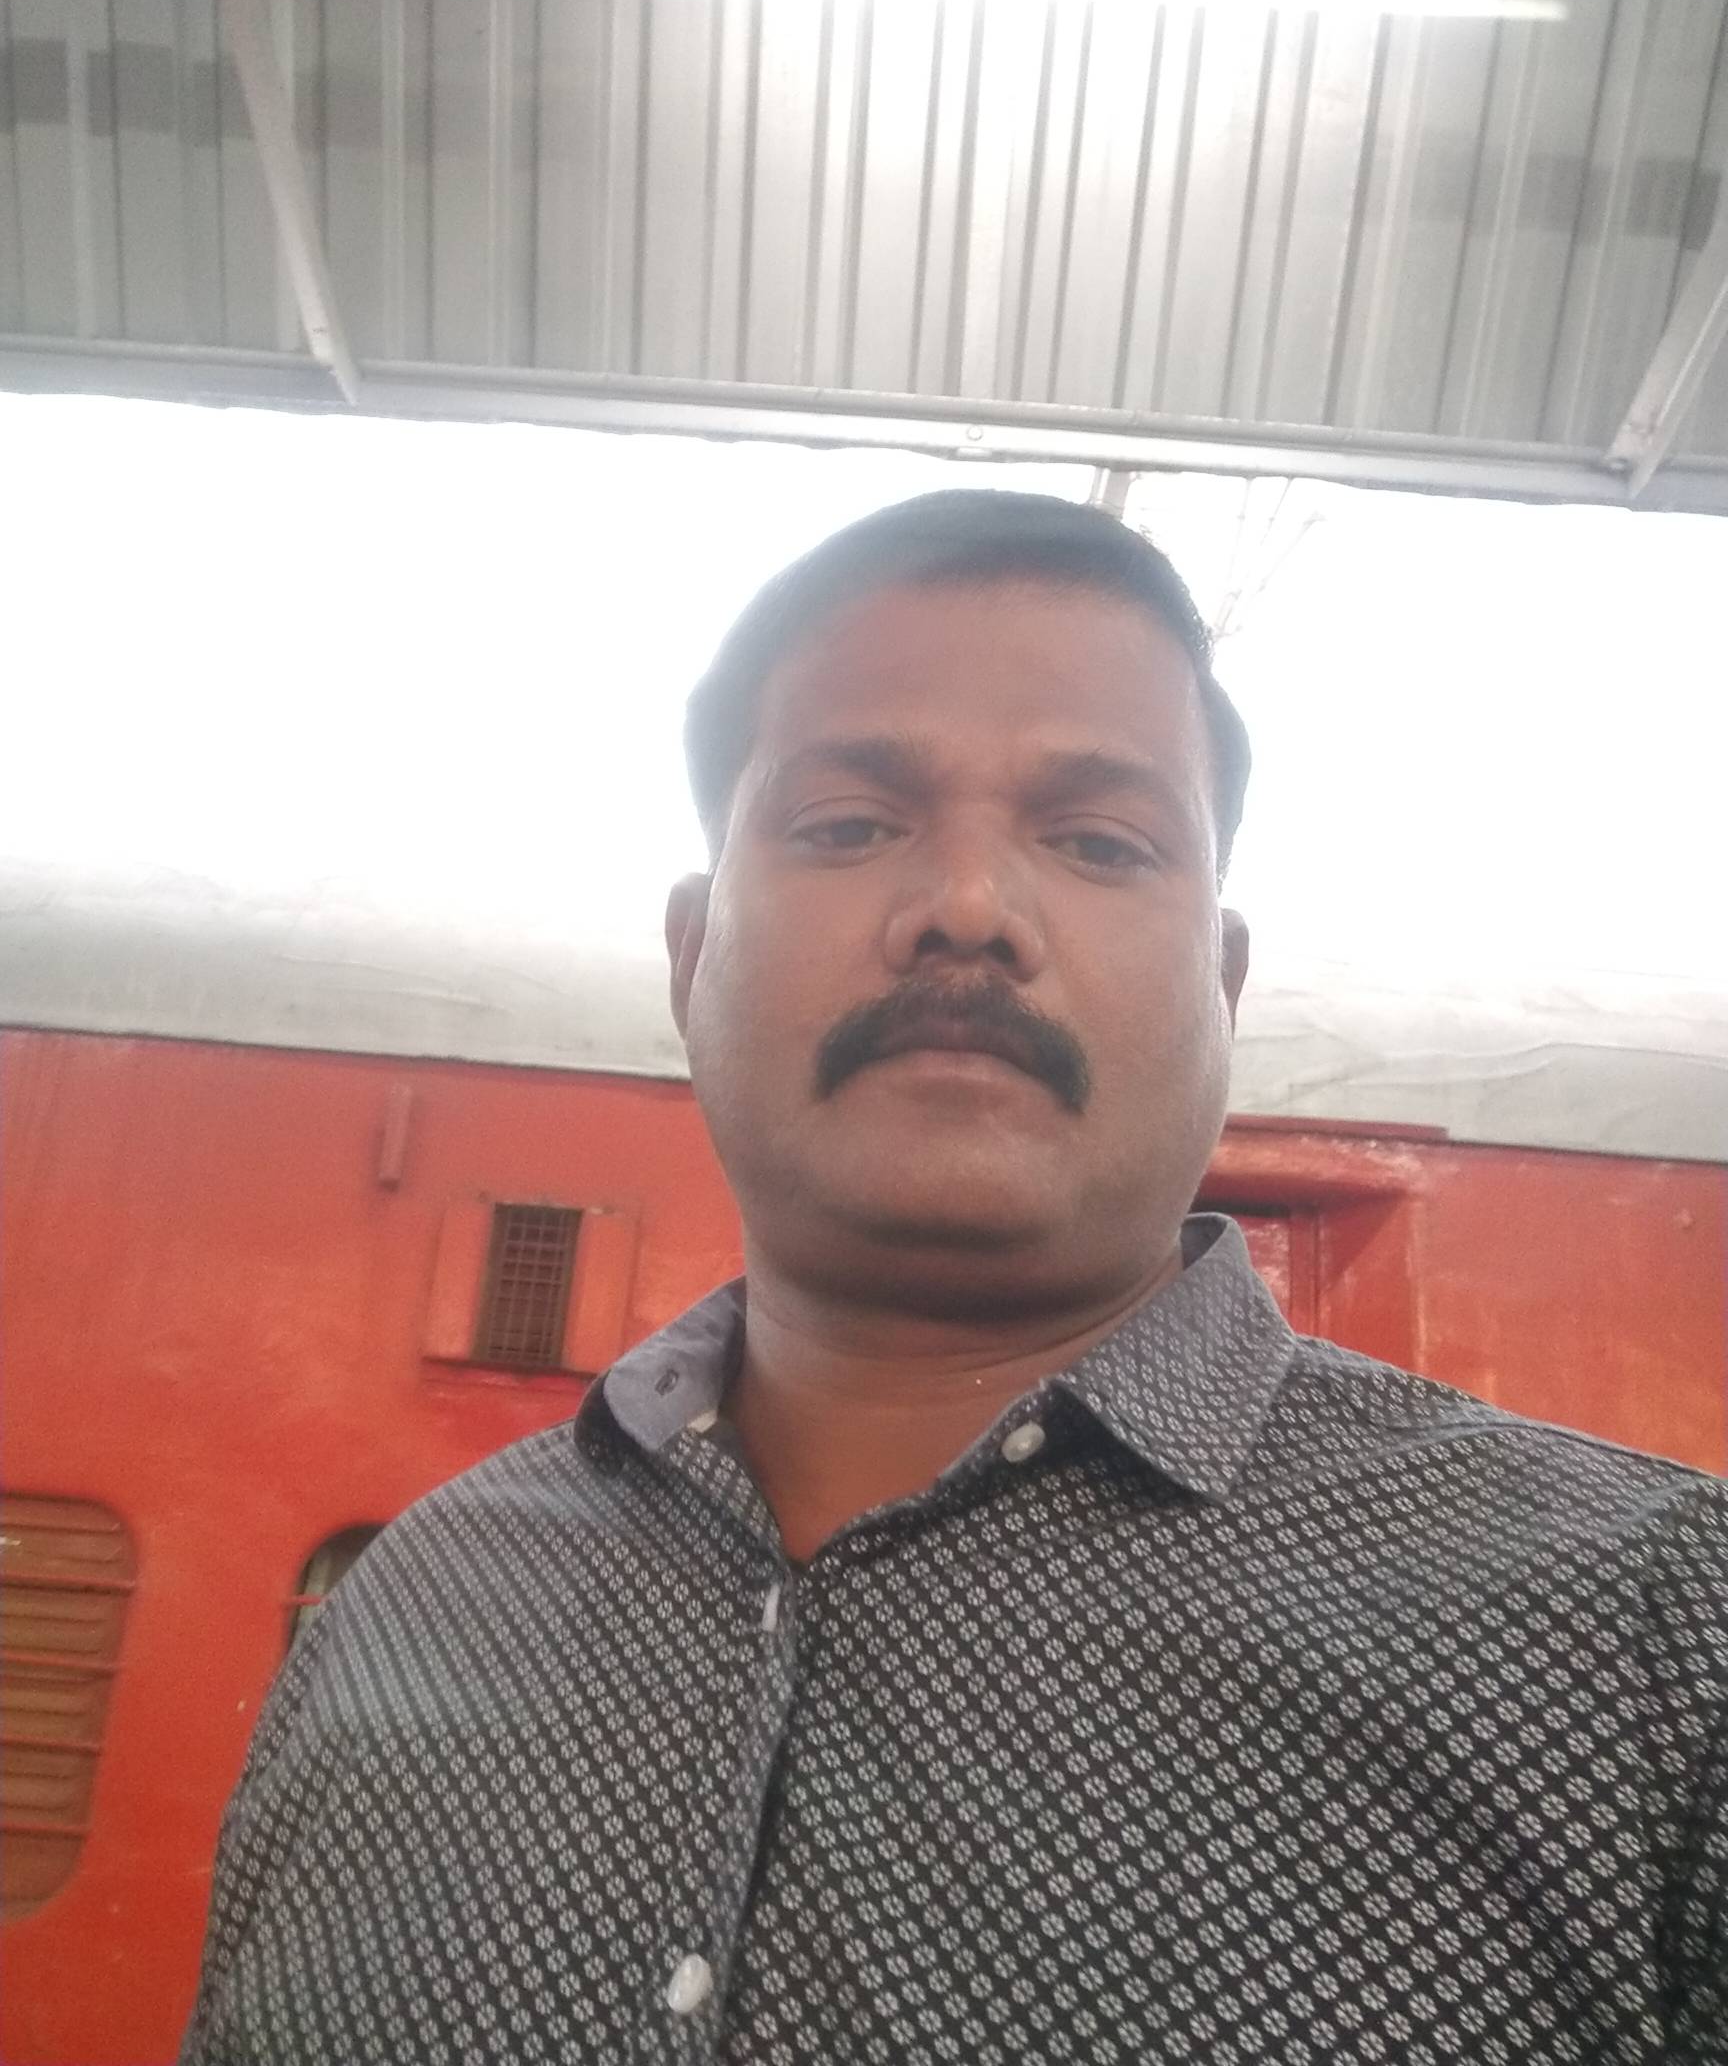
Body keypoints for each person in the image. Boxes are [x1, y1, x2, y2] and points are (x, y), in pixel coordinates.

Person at [182, 490, 1727, 2065]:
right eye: (849, 825)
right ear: (692, 953)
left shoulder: (1664, 1650)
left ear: (1225, 983)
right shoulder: (408, 1604)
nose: (970, 912)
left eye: (1101, 842)